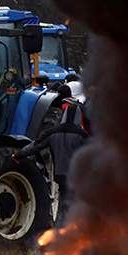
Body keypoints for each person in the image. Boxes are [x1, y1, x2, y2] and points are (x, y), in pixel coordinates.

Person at [12, 86, 90, 225]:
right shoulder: (82, 136)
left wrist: (18, 155)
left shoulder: (53, 133)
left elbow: (35, 146)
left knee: (63, 203)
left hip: (60, 175)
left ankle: (59, 230)